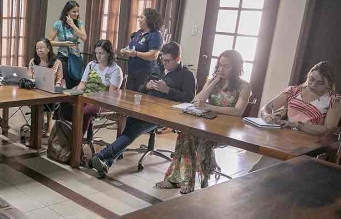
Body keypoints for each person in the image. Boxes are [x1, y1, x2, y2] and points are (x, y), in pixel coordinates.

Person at [89, 42, 197, 178]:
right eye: (163, 60)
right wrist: (147, 85)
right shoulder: (157, 69)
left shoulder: (187, 75)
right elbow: (141, 89)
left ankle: (103, 156)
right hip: (146, 108)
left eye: (168, 61)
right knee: (131, 128)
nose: (164, 64)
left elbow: (188, 99)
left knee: (133, 130)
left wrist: (168, 90)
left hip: (165, 115)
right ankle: (106, 162)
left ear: (178, 59)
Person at [156, 50, 251, 194]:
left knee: (194, 137)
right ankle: (182, 180)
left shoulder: (244, 86)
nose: (221, 69)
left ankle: (182, 181)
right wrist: (213, 84)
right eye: (220, 65)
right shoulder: (213, 80)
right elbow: (196, 100)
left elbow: (238, 111)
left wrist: (209, 107)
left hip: (226, 129)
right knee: (185, 134)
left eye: (226, 66)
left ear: (236, 67)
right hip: (208, 124)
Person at [251, 61, 341, 171]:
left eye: (320, 83)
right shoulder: (294, 91)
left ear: (329, 84)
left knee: (269, 171)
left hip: (309, 146)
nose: (313, 85)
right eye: (311, 79)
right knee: (259, 170)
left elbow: (328, 129)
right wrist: (267, 116)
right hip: (283, 140)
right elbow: (266, 108)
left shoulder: (333, 100)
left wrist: (296, 125)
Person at [66, 39, 123, 134]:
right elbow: (83, 84)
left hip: (103, 101)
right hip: (86, 96)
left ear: (109, 53)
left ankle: (76, 140)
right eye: (97, 53)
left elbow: (111, 94)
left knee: (84, 110)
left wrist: (90, 97)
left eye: (101, 53)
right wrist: (75, 93)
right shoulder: (92, 64)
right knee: (64, 101)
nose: (98, 56)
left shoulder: (115, 70)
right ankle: (67, 133)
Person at [120, 8, 164, 92]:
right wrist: (125, 50)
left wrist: (136, 54)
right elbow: (131, 46)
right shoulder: (140, 32)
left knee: (141, 96)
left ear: (149, 19)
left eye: (141, 17)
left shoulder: (155, 35)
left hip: (145, 73)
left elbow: (153, 55)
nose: (139, 19)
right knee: (129, 95)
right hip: (132, 71)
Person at [48, 0, 87, 89]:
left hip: (76, 57)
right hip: (63, 57)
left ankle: (75, 101)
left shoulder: (79, 23)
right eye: (74, 11)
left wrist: (73, 25)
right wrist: (64, 43)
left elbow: (84, 38)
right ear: (67, 12)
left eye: (77, 11)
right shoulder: (58, 24)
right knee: (67, 83)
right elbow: (49, 42)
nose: (76, 14)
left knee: (77, 81)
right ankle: (65, 102)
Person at [28, 37, 64, 134]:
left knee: (49, 100)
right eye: (37, 48)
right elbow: (30, 77)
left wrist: (55, 89)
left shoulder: (57, 62)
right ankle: (40, 124)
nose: (39, 50)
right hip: (36, 90)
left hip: (50, 91)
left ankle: (48, 123)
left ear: (48, 49)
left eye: (42, 48)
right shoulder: (33, 61)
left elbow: (59, 80)